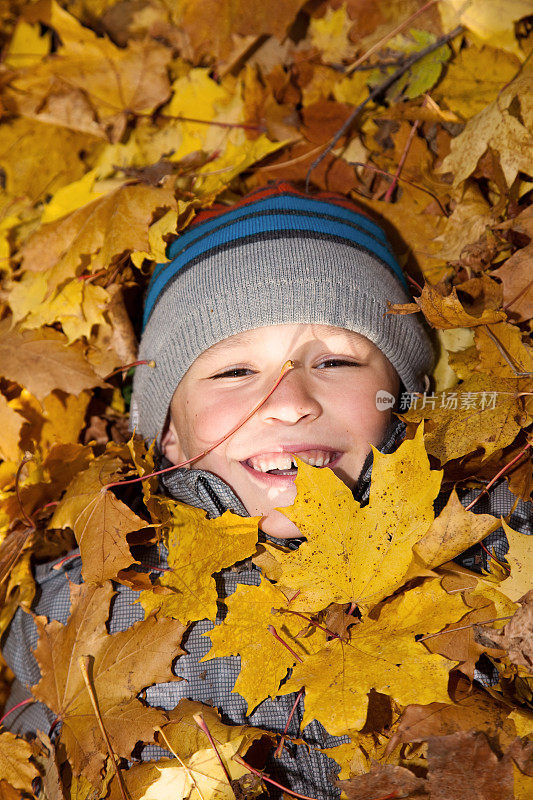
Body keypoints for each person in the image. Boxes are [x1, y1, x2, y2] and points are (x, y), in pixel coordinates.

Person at [2, 182, 531, 798]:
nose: (288, 403)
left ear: (402, 401)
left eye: (335, 362)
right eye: (234, 371)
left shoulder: (496, 543)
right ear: (169, 435)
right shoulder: (86, 599)